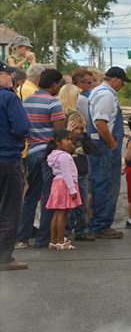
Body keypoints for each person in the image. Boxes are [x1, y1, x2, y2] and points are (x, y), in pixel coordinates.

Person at [16, 68, 65, 249]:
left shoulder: (26, 102)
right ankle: (43, 239)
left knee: (31, 195)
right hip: (49, 154)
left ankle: (22, 237)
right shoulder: (54, 102)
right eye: (59, 84)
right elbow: (59, 133)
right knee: (48, 196)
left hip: (32, 152)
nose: (59, 87)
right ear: (54, 84)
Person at [87, 66, 129, 239]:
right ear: (116, 80)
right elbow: (101, 123)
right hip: (104, 147)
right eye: (122, 83)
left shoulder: (97, 91)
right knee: (106, 185)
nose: (122, 87)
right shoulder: (107, 95)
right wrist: (113, 145)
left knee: (99, 184)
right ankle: (101, 225)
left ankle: (96, 223)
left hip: (97, 145)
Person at [0, 64, 30, 270]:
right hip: (7, 157)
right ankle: (4, 257)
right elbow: (21, 127)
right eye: (7, 74)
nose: (11, 78)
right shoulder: (9, 98)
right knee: (10, 208)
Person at [45, 130, 81, 250]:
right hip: (65, 185)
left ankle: (53, 241)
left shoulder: (53, 155)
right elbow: (67, 174)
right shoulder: (64, 156)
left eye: (71, 140)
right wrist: (72, 190)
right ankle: (60, 241)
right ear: (58, 142)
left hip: (57, 184)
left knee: (56, 214)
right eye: (67, 139)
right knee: (62, 214)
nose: (70, 142)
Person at [64, 111, 92, 241]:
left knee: (82, 204)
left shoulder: (83, 139)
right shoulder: (67, 139)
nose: (79, 132)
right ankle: (67, 231)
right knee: (70, 204)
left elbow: (91, 149)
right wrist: (68, 132)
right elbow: (63, 147)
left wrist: (86, 134)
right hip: (70, 176)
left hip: (82, 174)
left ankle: (81, 230)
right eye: (77, 128)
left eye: (81, 128)